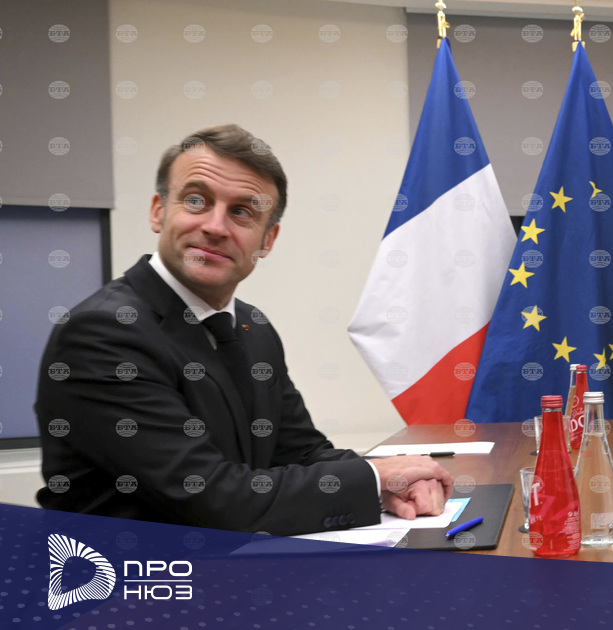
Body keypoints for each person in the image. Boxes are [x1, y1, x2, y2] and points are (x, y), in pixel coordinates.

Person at [36, 124, 452, 535]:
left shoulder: (252, 327)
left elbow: (302, 452)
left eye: (241, 212)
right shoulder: (103, 332)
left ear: (267, 240)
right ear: (158, 211)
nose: (216, 227)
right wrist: (375, 479)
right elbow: (212, 498)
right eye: (196, 200)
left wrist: (392, 483)